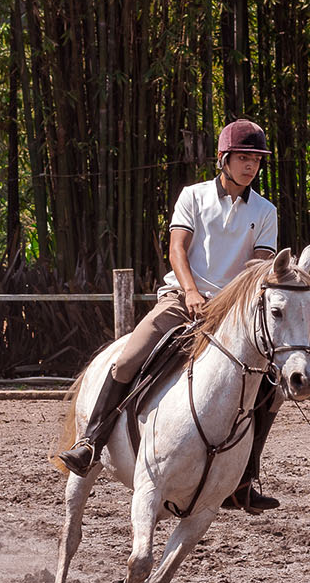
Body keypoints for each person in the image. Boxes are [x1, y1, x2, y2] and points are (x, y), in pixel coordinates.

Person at [57, 118, 286, 512]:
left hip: (231, 313)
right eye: (243, 157)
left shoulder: (265, 211)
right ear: (223, 159)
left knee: (271, 385)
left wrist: (227, 306)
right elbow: (178, 250)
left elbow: (259, 266)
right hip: (181, 299)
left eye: (256, 160)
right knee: (129, 358)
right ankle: (90, 441)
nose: (251, 166)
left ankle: (245, 477)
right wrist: (193, 292)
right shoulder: (192, 197)